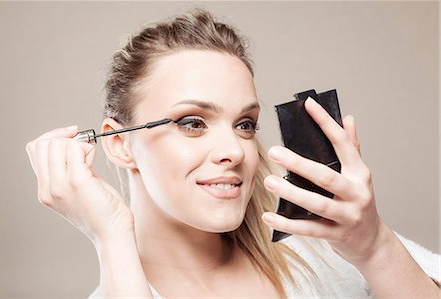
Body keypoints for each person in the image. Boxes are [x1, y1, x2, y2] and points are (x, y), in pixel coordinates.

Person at [26, 8, 440, 298]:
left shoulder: (329, 249)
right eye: (192, 122)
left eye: (245, 125)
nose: (234, 151)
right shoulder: (121, 288)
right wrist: (111, 236)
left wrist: (374, 247)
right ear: (120, 144)